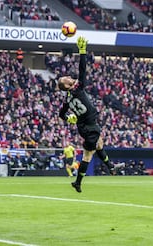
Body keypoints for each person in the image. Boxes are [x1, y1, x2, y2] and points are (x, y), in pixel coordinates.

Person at [58, 36, 113, 193]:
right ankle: (80, 181)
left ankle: (111, 166)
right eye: (67, 78)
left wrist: (69, 118)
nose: (69, 77)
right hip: (88, 126)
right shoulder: (76, 89)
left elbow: (61, 113)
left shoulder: (67, 98)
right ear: (67, 85)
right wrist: (82, 51)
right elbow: (82, 70)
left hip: (86, 125)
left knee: (99, 144)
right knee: (88, 155)